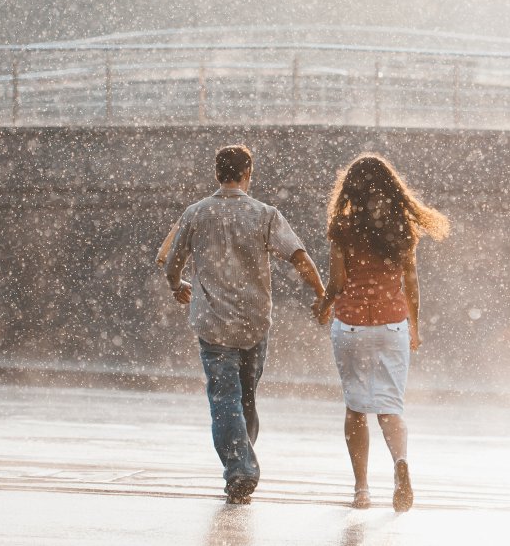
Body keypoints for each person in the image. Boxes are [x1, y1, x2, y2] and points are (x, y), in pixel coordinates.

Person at [165, 144, 327, 505]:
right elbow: (298, 256)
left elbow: (172, 262)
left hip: (212, 324)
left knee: (225, 401)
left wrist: (178, 286)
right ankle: (241, 467)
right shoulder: (265, 215)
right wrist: (321, 294)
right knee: (245, 398)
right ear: (248, 174)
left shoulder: (196, 214)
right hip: (254, 322)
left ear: (216, 173)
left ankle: (240, 468)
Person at [312, 153, 449, 511]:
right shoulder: (402, 228)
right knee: (390, 405)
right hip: (392, 325)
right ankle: (400, 464)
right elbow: (411, 283)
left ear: (350, 190)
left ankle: (361, 489)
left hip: (352, 325)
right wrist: (414, 327)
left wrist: (325, 304)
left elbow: (339, 282)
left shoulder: (342, 228)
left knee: (356, 408)